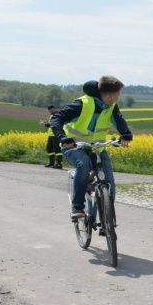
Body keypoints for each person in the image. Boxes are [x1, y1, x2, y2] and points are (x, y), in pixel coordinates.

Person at [51, 76, 132, 220]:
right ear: (110, 95)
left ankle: (107, 219)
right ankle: (77, 207)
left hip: (97, 148)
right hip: (74, 146)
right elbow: (57, 118)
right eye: (118, 94)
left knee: (109, 181)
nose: (119, 97)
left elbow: (119, 120)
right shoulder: (82, 104)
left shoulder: (111, 106)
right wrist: (63, 138)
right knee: (84, 164)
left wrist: (125, 134)